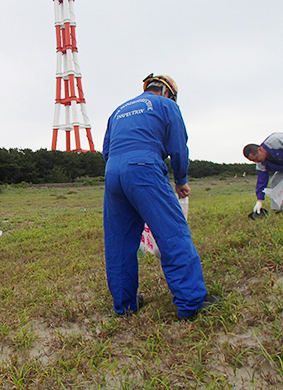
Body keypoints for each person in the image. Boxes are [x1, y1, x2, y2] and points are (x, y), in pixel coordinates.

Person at [102, 73, 219, 319]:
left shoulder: (118, 110)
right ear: (168, 93)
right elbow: (178, 146)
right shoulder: (167, 106)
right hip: (144, 167)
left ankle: (125, 305)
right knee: (172, 233)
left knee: (119, 242)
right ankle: (191, 303)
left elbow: (106, 151)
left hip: (113, 173)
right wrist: (182, 180)